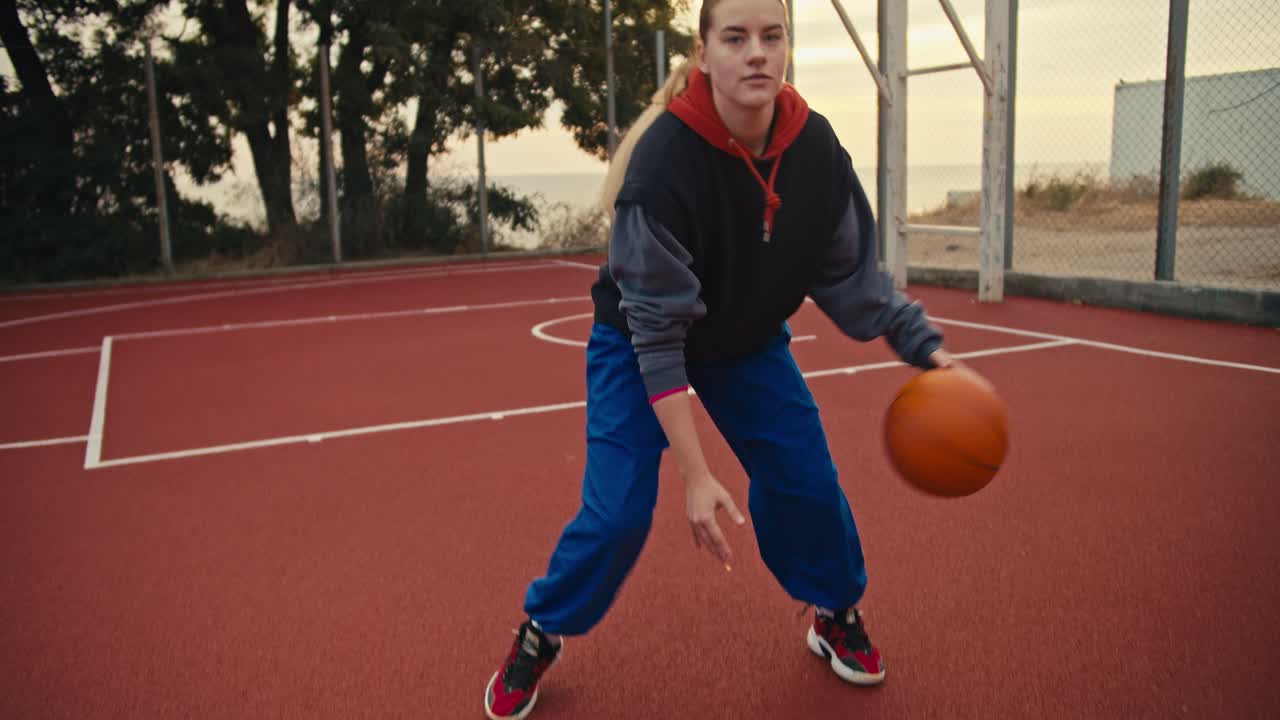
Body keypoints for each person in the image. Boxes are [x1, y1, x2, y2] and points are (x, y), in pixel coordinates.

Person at [484, 0, 958, 717]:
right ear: (704, 55)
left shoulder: (817, 152)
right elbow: (657, 336)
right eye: (735, 38)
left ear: (788, 48)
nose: (757, 53)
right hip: (639, 344)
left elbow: (853, 281)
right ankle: (541, 630)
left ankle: (834, 613)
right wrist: (697, 473)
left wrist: (930, 354)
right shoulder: (663, 166)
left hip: (744, 339)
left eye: (772, 37)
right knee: (617, 516)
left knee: (806, 482)